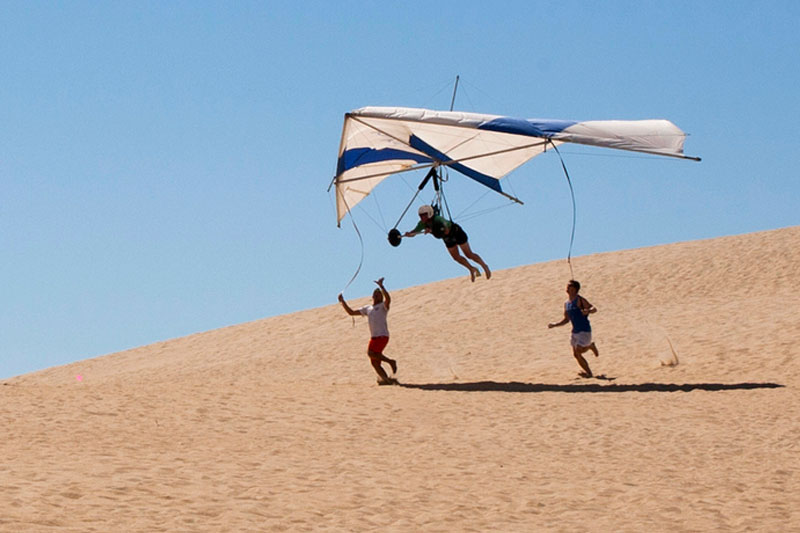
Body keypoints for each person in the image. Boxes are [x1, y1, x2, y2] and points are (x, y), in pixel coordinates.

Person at [403, 205, 491, 282]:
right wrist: (408, 234)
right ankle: (471, 269)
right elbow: (415, 232)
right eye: (420, 216)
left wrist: (432, 230)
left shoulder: (438, 219)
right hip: (447, 238)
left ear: (429, 213)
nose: (422, 217)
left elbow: (446, 230)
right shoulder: (422, 223)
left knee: (468, 254)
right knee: (456, 257)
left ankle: (484, 266)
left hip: (456, 233)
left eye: (424, 215)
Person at [338, 277, 398, 385]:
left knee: (371, 353)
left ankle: (391, 362)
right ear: (372, 296)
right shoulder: (368, 308)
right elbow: (351, 312)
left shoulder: (383, 306)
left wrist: (382, 287)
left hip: (382, 336)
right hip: (374, 337)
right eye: (375, 295)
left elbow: (388, 299)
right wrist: (343, 302)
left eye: (379, 295)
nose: (377, 296)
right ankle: (386, 380)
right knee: (374, 362)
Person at [548, 280, 599, 378]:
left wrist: (587, 311)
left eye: (569, 287)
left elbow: (594, 309)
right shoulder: (567, 303)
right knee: (576, 354)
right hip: (575, 331)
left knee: (579, 350)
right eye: (567, 287)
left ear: (575, 289)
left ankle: (590, 346)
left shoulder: (580, 300)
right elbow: (566, 319)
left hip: (584, 329)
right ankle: (589, 373)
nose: (567, 289)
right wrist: (555, 325)